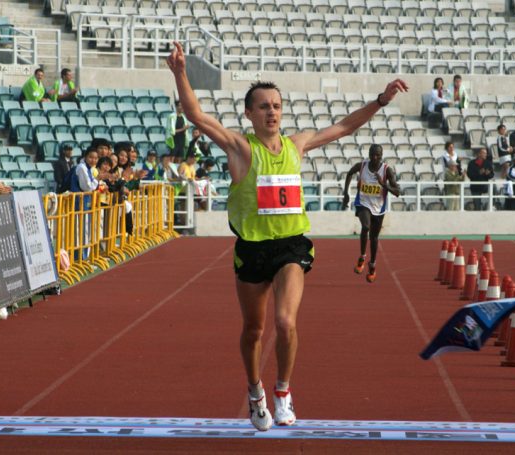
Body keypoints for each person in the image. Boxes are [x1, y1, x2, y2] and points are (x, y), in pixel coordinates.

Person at [168, 41, 407, 431]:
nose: (272, 112)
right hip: (252, 249)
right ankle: (254, 390)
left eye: (277, 105)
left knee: (285, 322)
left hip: (291, 247)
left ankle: (282, 391)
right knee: (253, 330)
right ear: (249, 113)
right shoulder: (241, 148)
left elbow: (345, 126)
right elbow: (196, 115)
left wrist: (380, 100)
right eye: (264, 106)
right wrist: (180, 72)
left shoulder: (297, 145)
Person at [342, 144, 400, 280]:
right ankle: (362, 257)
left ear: (381, 155)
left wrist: (384, 184)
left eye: (377, 155)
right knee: (366, 226)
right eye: (372, 154)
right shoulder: (362, 166)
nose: (374, 157)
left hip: (379, 208)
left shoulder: (387, 170)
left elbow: (397, 192)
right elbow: (350, 173)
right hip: (363, 203)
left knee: (374, 238)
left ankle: (372, 265)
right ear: (368, 154)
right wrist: (346, 193)